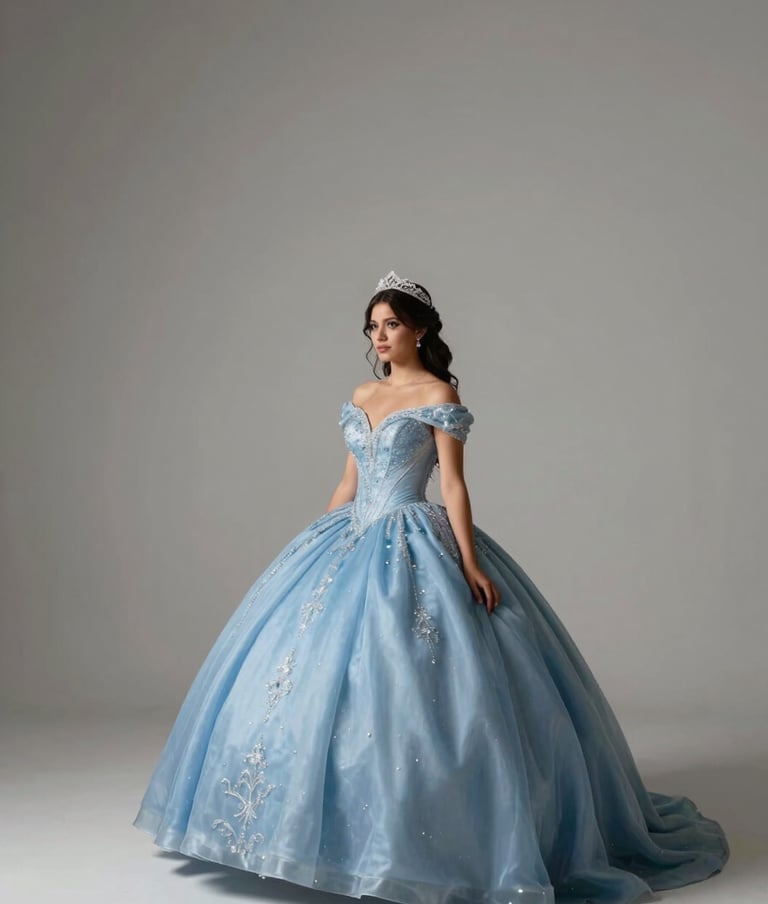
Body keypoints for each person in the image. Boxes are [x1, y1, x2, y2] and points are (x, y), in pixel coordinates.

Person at [133, 271, 729, 904]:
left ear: (419, 328)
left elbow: (451, 486)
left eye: (391, 324)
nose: (380, 336)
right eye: (372, 326)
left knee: (419, 683)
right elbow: (349, 480)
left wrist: (470, 564)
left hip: (413, 535)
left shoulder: (437, 393)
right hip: (349, 534)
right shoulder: (363, 391)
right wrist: (316, 535)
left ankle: (427, 839)